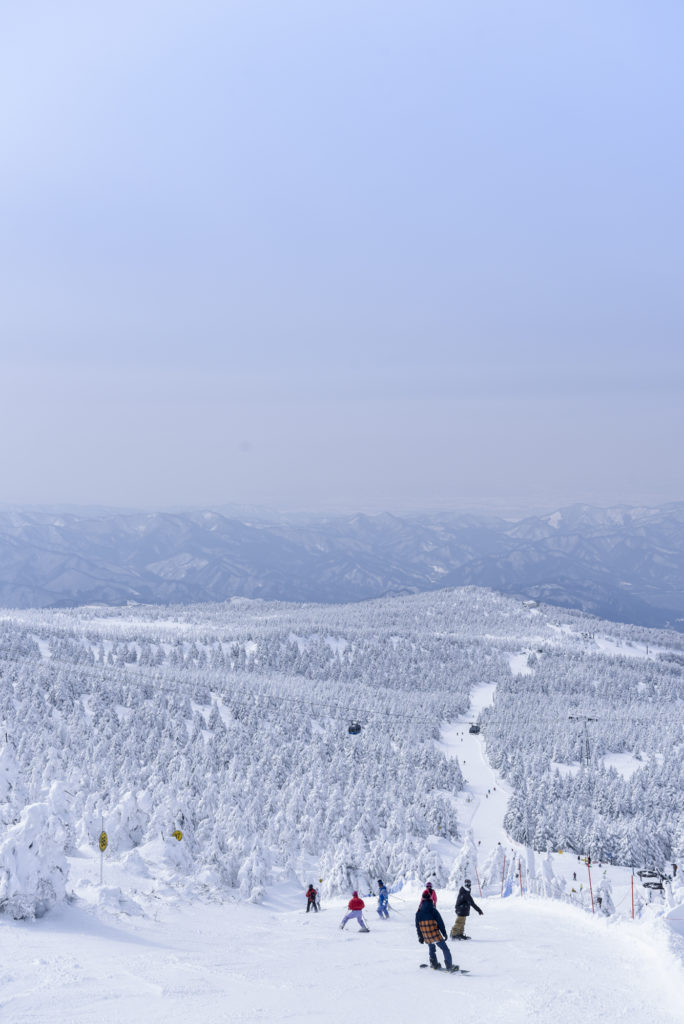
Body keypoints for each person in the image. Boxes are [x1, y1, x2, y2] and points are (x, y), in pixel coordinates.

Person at [416, 889, 454, 970]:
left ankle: (434, 964)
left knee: (431, 947)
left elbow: (418, 926)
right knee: (445, 949)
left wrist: (420, 937)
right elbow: (440, 922)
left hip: (426, 936)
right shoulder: (433, 910)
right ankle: (449, 966)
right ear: (430, 899)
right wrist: (444, 933)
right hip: (435, 935)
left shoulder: (418, 912)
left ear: (422, 899)